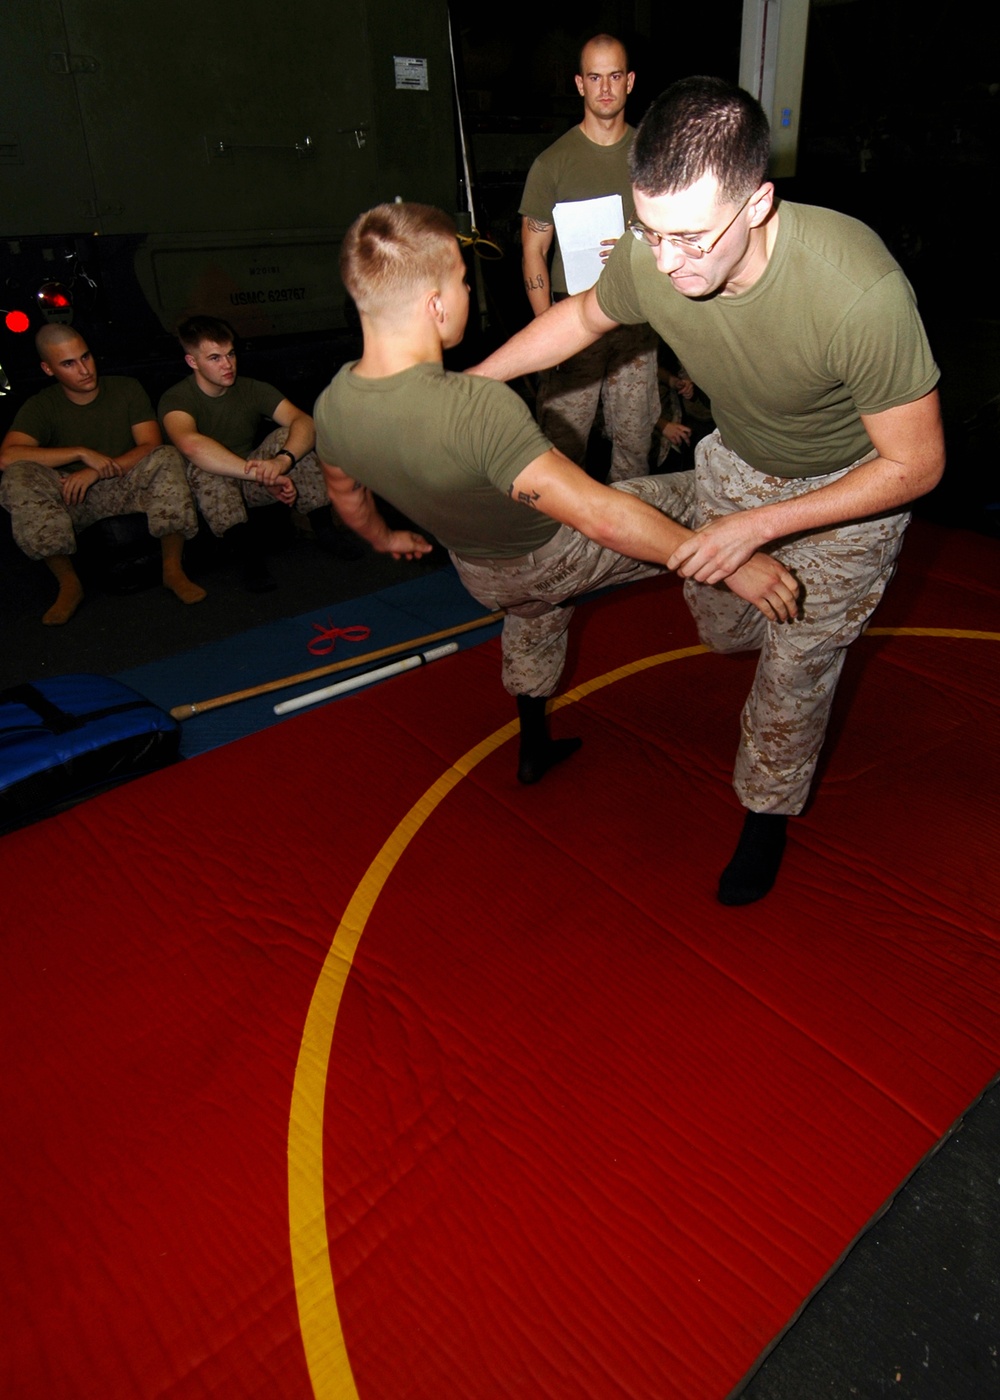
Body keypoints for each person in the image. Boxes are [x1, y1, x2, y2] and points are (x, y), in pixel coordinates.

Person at [471, 75, 945, 904]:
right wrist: (471, 384)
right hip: (738, 465)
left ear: (758, 204)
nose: (666, 263)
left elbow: (916, 466)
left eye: (691, 238)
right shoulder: (663, 252)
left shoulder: (857, 293)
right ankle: (745, 603)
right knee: (727, 632)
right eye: (650, 233)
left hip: (848, 495)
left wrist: (762, 527)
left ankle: (765, 813)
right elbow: (583, 317)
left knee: (796, 666)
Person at [312, 202, 798, 786]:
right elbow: (601, 519)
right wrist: (727, 564)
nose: (468, 292)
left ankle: (533, 745)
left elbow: (348, 501)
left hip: (479, 572)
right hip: (555, 555)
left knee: (535, 613)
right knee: (712, 483)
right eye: (464, 283)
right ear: (436, 305)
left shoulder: (332, 406)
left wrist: (388, 537)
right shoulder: (478, 410)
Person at [519, 33, 659, 482]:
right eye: (594, 77)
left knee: (635, 446)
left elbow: (679, 234)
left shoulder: (652, 158)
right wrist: (545, 334)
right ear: (579, 84)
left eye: (614, 76)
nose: (604, 88)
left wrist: (638, 238)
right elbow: (533, 250)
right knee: (561, 450)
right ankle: (563, 547)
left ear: (630, 81)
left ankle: (630, 546)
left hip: (635, 323)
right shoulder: (552, 164)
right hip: (572, 320)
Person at [0, 326, 204, 624]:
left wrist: (96, 471)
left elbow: (150, 444)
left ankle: (172, 569)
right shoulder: (42, 406)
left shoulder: (126, 388)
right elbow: (7, 456)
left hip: (123, 487)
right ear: (48, 368)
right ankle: (68, 583)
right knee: (18, 476)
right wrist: (80, 453)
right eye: (69, 364)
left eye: (86, 357)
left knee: (166, 456)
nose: (84, 370)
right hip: (73, 497)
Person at [159, 316, 360, 592]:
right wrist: (261, 474)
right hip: (206, 489)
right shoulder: (177, 398)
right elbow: (191, 445)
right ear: (193, 362)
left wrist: (281, 461)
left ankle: (324, 528)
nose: (228, 365)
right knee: (204, 466)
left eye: (230, 354)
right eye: (215, 358)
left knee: (285, 437)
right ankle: (247, 559)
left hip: (252, 477)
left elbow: (305, 423)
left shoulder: (251, 388)